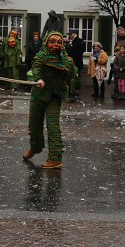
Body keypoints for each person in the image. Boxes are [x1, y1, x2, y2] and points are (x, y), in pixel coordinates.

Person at [23, 32, 78, 169]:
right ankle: (36, 147)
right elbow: (36, 68)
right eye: (52, 41)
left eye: (59, 42)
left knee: (53, 125)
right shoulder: (40, 56)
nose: (56, 45)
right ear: (46, 43)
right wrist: (39, 79)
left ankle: (55, 158)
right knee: (35, 125)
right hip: (39, 95)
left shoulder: (65, 59)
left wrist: (71, 66)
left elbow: (72, 76)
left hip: (54, 96)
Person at [66, 30, 87, 97]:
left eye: (70, 34)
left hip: (77, 62)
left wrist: (74, 58)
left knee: (77, 76)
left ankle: (76, 90)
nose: (69, 36)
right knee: (69, 76)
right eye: (69, 34)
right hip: (70, 62)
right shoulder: (70, 42)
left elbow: (81, 51)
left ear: (74, 34)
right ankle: (70, 90)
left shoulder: (79, 41)